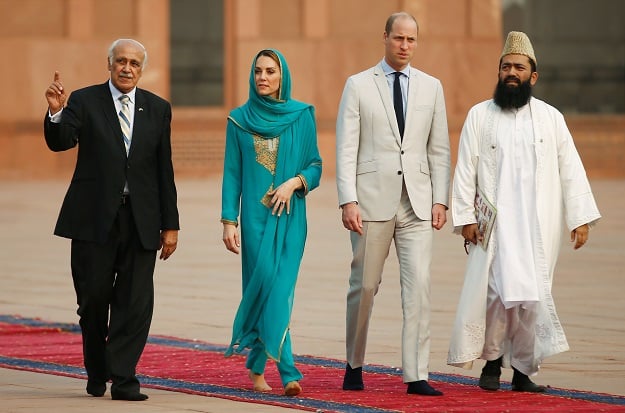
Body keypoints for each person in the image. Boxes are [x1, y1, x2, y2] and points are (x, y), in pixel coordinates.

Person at [447, 31, 601, 393]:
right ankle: (490, 364)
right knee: (495, 295)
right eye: (505, 67)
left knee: (531, 297)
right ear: (498, 72)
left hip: (536, 226)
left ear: (533, 76)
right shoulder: (479, 115)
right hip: (496, 227)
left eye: (518, 67)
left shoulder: (551, 118)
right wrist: (465, 218)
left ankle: (522, 372)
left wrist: (579, 217)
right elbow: (465, 168)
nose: (511, 72)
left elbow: (570, 167)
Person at [43, 38, 179, 401]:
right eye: (121, 61)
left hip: (141, 220)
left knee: (135, 303)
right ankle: (97, 367)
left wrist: (171, 224)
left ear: (141, 69)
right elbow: (62, 142)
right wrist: (56, 113)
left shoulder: (157, 107)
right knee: (92, 301)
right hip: (93, 220)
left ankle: (123, 379)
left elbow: (164, 170)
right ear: (109, 63)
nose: (127, 68)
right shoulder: (84, 101)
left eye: (135, 63)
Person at [336, 12, 451, 396]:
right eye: (398, 38)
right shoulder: (358, 85)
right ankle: (353, 364)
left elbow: (439, 148)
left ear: (417, 43)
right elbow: (346, 147)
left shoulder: (431, 87)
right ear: (385, 37)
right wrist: (347, 199)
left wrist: (440, 199)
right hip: (370, 202)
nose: (404, 45)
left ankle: (417, 374)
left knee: (418, 287)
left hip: (417, 203)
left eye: (411, 40)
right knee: (365, 286)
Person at [221, 49, 322, 397]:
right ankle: (284, 372)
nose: (262, 77)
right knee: (265, 289)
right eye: (258, 71)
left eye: (270, 72)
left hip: (291, 219)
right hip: (254, 221)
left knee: (279, 292)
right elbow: (232, 174)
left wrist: (295, 182)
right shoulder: (238, 120)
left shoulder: (301, 116)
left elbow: (315, 166)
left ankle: (265, 367)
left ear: (282, 78)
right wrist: (228, 221)